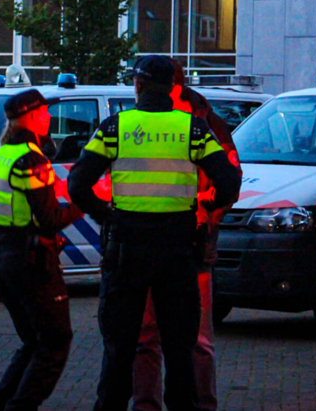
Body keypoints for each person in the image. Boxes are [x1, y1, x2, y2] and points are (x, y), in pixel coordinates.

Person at [67, 55, 242, 411]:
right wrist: (203, 208)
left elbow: (77, 183)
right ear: (171, 88)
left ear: (138, 85)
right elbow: (229, 182)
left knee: (120, 350)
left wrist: (106, 214)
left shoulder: (115, 127)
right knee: (180, 351)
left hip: (127, 251)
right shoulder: (193, 129)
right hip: (177, 254)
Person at [132, 62, 242, 411]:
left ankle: (199, 405)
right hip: (166, 244)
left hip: (188, 244)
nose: (138, 90)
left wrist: (203, 210)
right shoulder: (158, 121)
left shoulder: (206, 124)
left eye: (142, 83)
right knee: (150, 337)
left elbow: (230, 181)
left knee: (194, 339)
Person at [0, 89, 84, 411]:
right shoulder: (30, 160)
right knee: (54, 342)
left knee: (33, 342)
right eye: (45, 113)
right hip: (33, 263)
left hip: (4, 260)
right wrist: (84, 202)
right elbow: (50, 219)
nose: (50, 118)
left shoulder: (0, 155)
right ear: (35, 117)